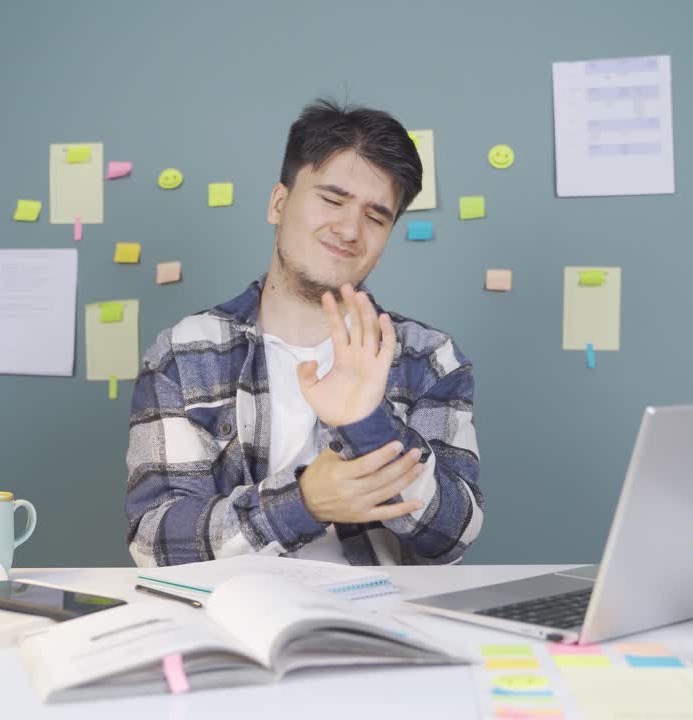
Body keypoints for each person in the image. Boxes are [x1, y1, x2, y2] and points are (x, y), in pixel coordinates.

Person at [126, 98, 482, 566]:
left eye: (377, 217)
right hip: (234, 622)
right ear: (279, 203)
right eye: (332, 199)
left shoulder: (430, 357)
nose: (350, 228)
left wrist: (366, 424)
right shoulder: (184, 353)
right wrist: (305, 501)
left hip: (379, 625)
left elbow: (454, 536)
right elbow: (156, 541)